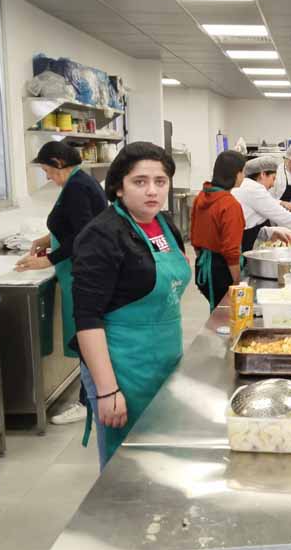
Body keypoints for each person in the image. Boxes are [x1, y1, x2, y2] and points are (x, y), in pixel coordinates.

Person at [72, 142, 190, 469]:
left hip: (164, 358)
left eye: (160, 181)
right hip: (122, 366)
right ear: (119, 187)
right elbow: (87, 318)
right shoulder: (102, 235)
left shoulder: (164, 225)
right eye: (140, 181)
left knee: (161, 455)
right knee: (126, 465)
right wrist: (107, 390)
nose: (152, 190)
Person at [17, 141, 107, 426]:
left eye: (47, 170)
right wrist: (46, 240)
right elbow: (73, 224)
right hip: (78, 270)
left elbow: (82, 234)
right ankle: (89, 396)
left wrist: (48, 260)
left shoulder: (77, 187)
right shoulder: (79, 182)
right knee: (85, 338)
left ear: (58, 163)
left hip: (83, 272)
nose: (47, 176)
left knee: (86, 338)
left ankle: (87, 401)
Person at [191, 151, 246, 312]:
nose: (243, 176)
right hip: (223, 270)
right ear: (236, 174)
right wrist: (237, 282)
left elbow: (194, 236)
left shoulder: (201, 196)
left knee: (217, 310)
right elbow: (231, 251)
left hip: (203, 267)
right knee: (227, 314)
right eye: (243, 172)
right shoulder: (230, 205)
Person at [232, 155, 291, 252]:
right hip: (234, 246)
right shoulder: (254, 189)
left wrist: (269, 233)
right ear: (263, 174)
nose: (273, 184)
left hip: (240, 241)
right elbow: (281, 215)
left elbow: (250, 224)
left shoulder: (248, 186)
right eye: (273, 178)